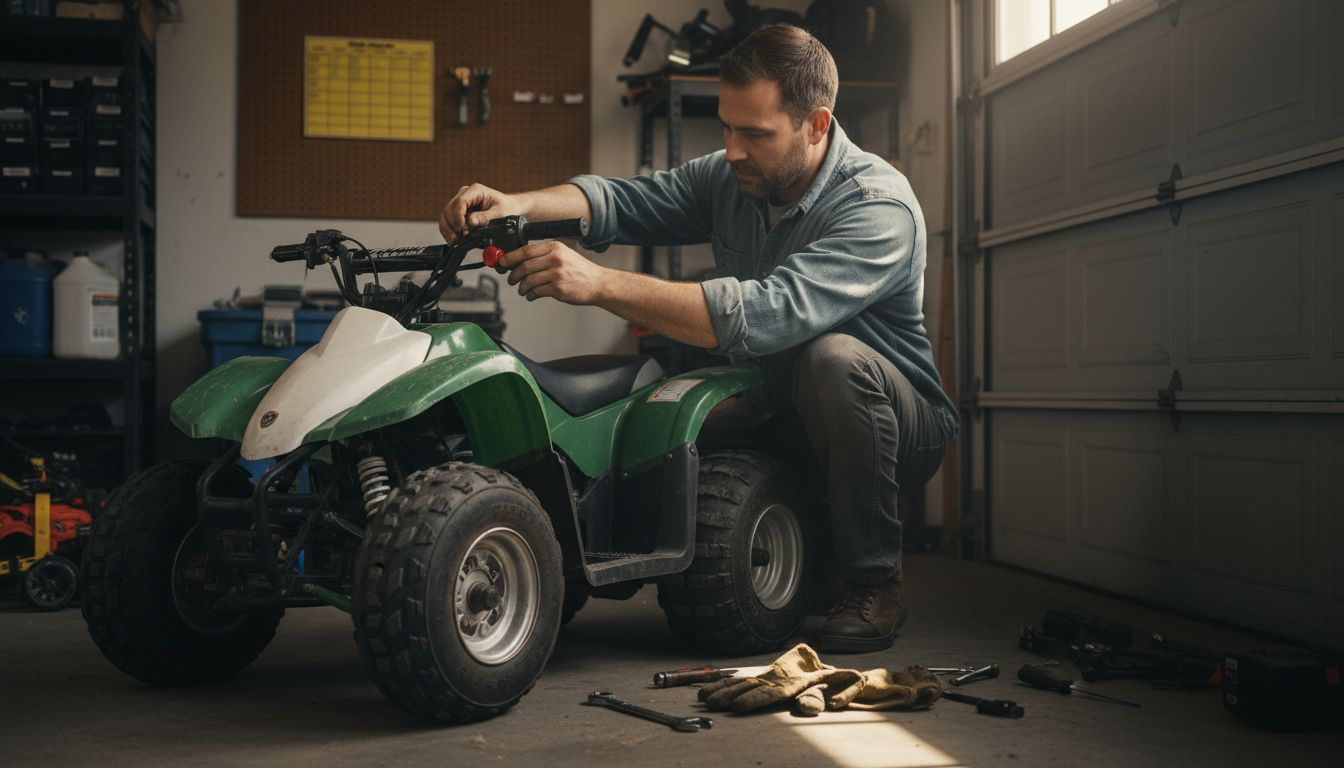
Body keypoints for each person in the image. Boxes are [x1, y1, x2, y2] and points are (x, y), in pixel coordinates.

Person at [438, 24, 958, 653]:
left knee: (834, 360)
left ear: (816, 125)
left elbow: (763, 314)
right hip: (778, 401)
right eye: (726, 128)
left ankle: (876, 580)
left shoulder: (877, 207)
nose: (733, 149)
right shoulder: (735, 175)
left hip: (897, 426)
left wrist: (598, 283)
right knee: (658, 421)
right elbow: (619, 201)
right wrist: (516, 205)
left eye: (755, 134)